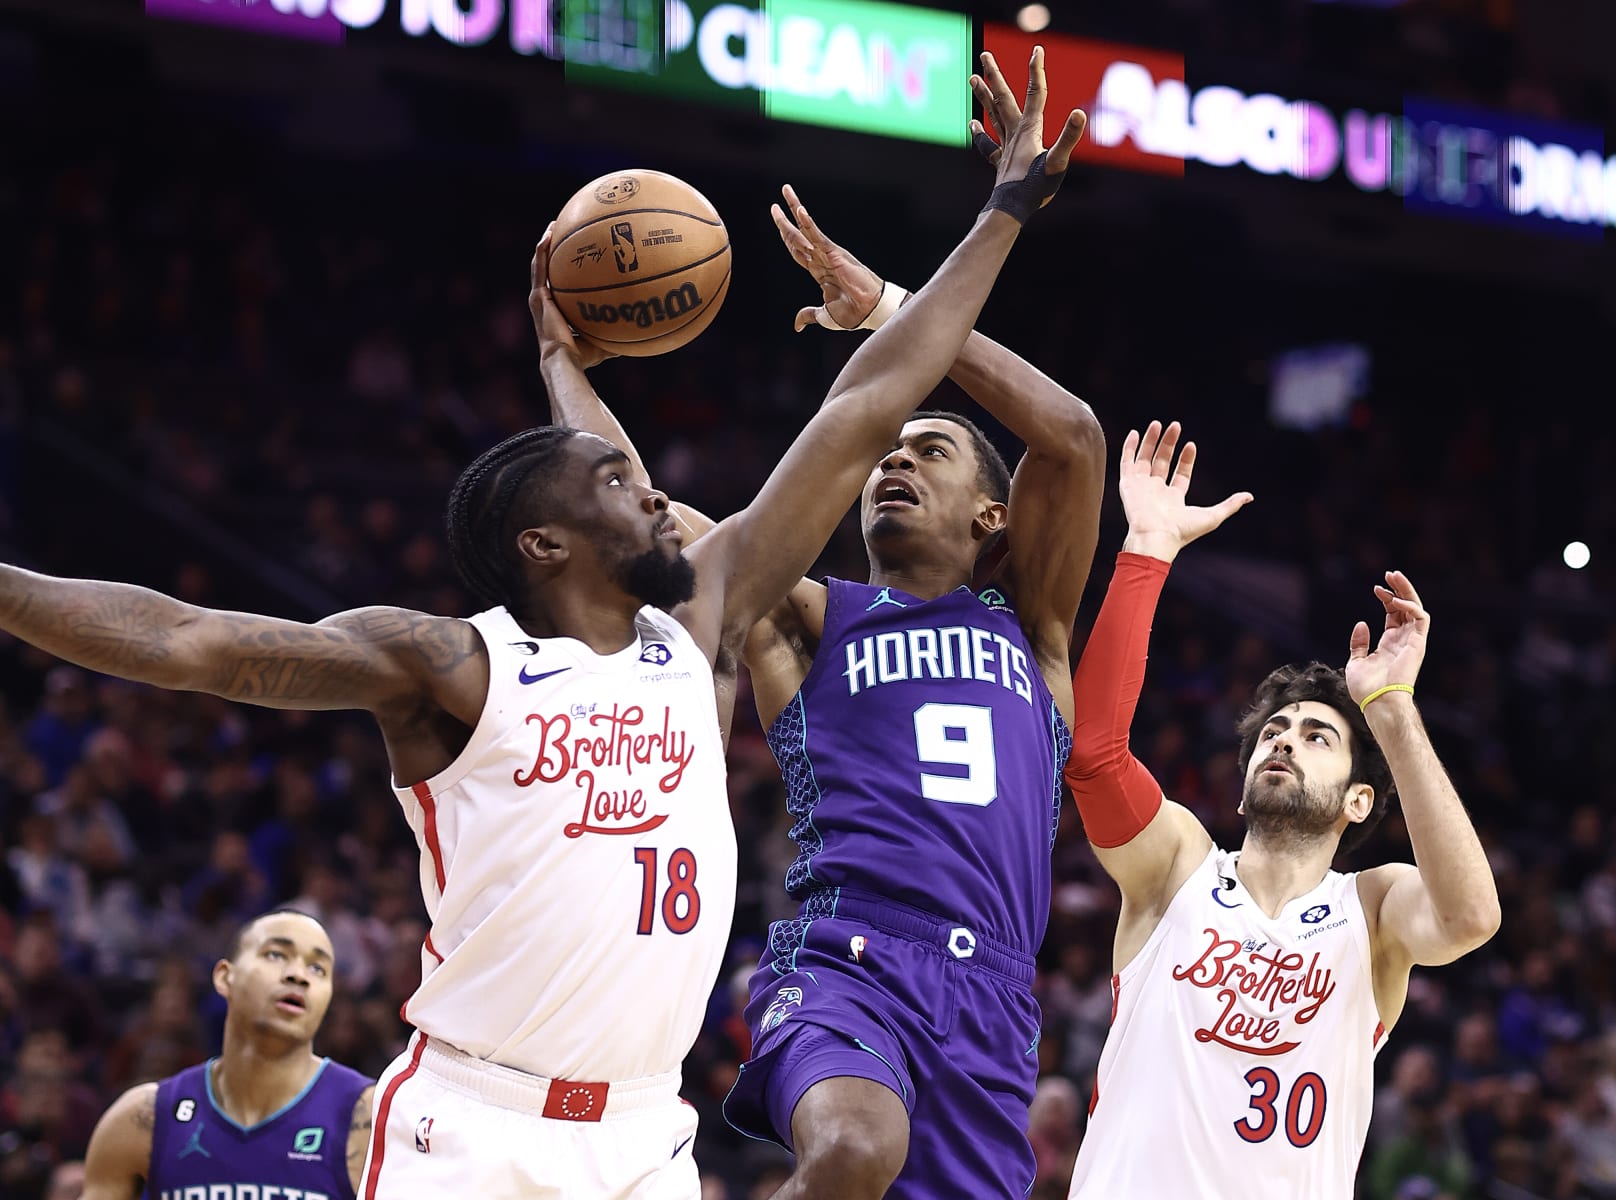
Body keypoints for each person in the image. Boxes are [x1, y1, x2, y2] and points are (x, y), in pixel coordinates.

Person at [0, 47, 1071, 1200]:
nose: (653, 493)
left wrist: (1003, 213)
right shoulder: (451, 665)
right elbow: (189, 641)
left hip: (643, 1135)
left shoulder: (696, 634)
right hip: (472, 1124)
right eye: (617, 484)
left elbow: (867, 402)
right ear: (545, 543)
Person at [535, 51, 1102, 1199]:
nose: (893, 462)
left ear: (992, 514)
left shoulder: (1033, 632)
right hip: (847, 957)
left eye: (928, 451)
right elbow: (639, 518)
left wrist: (894, 311)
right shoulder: (805, 616)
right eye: (886, 451)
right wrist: (559, 361)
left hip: (994, 1002)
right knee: (850, 1153)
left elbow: (1075, 435)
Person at [1063, 423, 1502, 1198]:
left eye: (1316, 736)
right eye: (1274, 731)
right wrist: (1147, 551)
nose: (1285, 740)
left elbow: (1469, 917)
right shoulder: (1177, 867)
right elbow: (1095, 754)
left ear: (1358, 800)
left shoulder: (1372, 909)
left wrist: (1392, 711)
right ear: (1240, 788)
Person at [79, 910, 374, 1200]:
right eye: (276, 955)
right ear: (225, 977)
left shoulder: (371, 1117)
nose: (298, 975)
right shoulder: (145, 1118)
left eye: (318, 969)